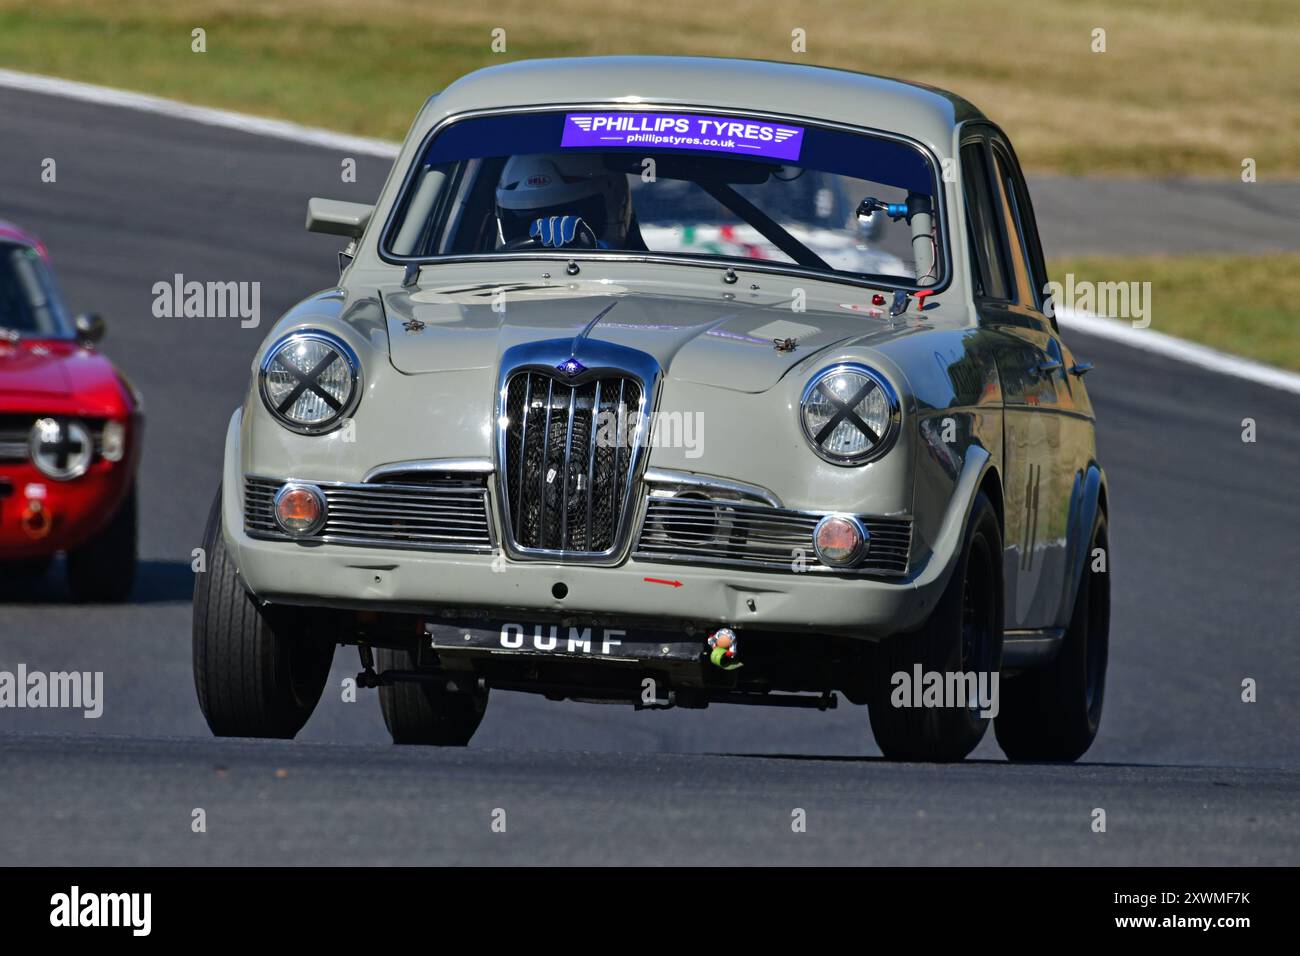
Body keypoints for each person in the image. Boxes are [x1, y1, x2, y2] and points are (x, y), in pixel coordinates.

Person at [495, 154, 633, 249]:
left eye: (566, 214)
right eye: (524, 223)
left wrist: (594, 251)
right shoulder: (488, 275)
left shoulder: (641, 272)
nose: (541, 237)